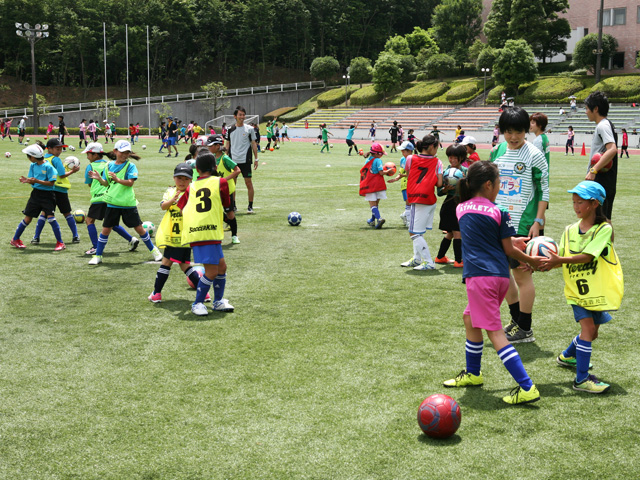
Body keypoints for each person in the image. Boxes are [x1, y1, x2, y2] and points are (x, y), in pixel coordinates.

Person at [442, 160, 541, 405]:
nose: (499, 187)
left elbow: (482, 239)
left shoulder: (461, 208)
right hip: (499, 278)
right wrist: (527, 255)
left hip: (480, 278)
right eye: (499, 183)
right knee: (470, 319)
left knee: (495, 333)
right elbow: (505, 247)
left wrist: (522, 253)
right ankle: (474, 374)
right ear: (489, 185)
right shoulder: (500, 211)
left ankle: (527, 387)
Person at [540, 181, 623, 394]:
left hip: (596, 291)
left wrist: (559, 261)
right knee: (587, 330)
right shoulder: (569, 230)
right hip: (576, 291)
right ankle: (581, 380)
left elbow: (587, 256)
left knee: (592, 333)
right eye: (574, 202)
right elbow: (558, 255)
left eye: (580, 202)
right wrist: (540, 262)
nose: (576, 206)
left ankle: (567, 356)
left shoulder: (604, 229)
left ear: (595, 204)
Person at [489, 107, 549, 344]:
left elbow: (544, 189)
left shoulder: (534, 154)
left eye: (519, 132)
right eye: (509, 131)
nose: (514, 137)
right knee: (504, 275)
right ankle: (517, 321)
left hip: (522, 224)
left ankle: (525, 326)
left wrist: (538, 221)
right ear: (503, 131)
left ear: (527, 130)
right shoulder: (497, 152)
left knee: (522, 276)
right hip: (498, 222)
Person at [86, 140, 162, 265]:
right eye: (122, 152)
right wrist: (99, 178)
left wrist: (117, 179)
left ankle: (155, 252)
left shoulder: (130, 166)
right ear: (115, 151)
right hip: (112, 203)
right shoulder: (108, 166)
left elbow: (130, 183)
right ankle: (98, 256)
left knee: (139, 229)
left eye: (127, 152)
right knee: (105, 230)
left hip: (127, 203)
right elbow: (106, 183)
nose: (125, 155)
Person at [176, 152, 234, 316]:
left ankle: (218, 301)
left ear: (197, 169)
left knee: (221, 267)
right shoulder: (220, 182)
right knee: (212, 272)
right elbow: (226, 202)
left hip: (200, 232)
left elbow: (181, 207)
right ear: (215, 167)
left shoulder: (192, 186)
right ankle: (198, 303)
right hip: (208, 232)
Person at [148, 162, 212, 304]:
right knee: (184, 265)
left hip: (183, 236)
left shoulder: (193, 193)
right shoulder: (170, 191)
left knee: (166, 263)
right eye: (179, 178)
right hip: (172, 234)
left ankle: (156, 293)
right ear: (174, 178)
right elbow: (163, 206)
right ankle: (204, 293)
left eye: (186, 179)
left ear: (191, 180)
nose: (182, 181)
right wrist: (173, 199)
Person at [82, 142, 139, 255]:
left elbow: (89, 183)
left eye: (88, 154)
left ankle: (95, 247)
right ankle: (131, 239)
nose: (87, 157)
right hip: (110, 197)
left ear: (95, 155)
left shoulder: (91, 166)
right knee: (110, 224)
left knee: (89, 220)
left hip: (98, 198)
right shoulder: (109, 163)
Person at [399, 135, 443, 270]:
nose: (436, 150)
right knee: (418, 232)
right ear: (431, 147)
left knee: (414, 232)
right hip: (429, 199)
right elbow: (440, 183)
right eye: (436, 147)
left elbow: (409, 173)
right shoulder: (438, 162)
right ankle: (417, 259)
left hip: (417, 199)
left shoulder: (410, 158)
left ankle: (429, 262)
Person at [10, 144, 65, 251]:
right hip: (35, 195)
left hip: (48, 196)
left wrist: (36, 181)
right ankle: (15, 239)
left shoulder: (49, 167)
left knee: (51, 219)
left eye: (28, 156)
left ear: (33, 157)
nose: (28, 158)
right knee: (27, 218)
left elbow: (51, 183)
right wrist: (28, 181)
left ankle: (60, 243)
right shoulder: (33, 165)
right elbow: (33, 180)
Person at [31, 138, 81, 247]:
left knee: (44, 213)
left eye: (61, 149)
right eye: (57, 149)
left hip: (47, 190)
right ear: (49, 148)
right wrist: (73, 171)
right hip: (60, 190)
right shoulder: (56, 160)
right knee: (67, 213)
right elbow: (62, 175)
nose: (59, 151)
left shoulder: (43, 158)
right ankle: (75, 235)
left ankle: (36, 237)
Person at [585, 91, 618, 220]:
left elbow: (612, 149)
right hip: (606, 180)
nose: (586, 112)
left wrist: (593, 170)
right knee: (605, 220)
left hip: (602, 180)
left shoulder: (603, 126)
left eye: (587, 108)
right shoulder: (606, 124)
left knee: (600, 221)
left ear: (596, 109)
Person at [434, 144, 467, 267]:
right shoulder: (446, 172)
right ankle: (459, 261)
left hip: (460, 204)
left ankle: (440, 257)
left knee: (450, 233)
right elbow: (439, 192)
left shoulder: (465, 172)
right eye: (450, 157)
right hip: (450, 205)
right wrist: (445, 189)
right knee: (457, 233)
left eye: (455, 158)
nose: (452, 160)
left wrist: (464, 182)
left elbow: (471, 190)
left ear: (462, 158)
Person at [207, 134, 241, 244]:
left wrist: (224, 179)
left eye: (211, 145)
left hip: (227, 191)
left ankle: (234, 235)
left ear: (217, 146)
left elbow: (237, 170)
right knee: (215, 212)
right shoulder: (211, 158)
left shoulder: (225, 158)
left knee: (230, 213)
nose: (208, 147)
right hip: (215, 190)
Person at [225, 106, 259, 214]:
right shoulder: (230, 129)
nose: (242, 117)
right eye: (240, 115)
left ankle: (250, 206)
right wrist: (225, 158)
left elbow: (253, 144)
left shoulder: (249, 129)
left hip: (245, 160)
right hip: (233, 161)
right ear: (235, 116)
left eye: (243, 115)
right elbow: (227, 144)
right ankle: (233, 205)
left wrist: (256, 158)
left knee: (248, 183)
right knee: (232, 184)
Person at [359, 142, 388, 229]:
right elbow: (381, 172)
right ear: (377, 153)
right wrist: (389, 172)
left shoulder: (367, 160)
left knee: (373, 204)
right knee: (375, 204)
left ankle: (373, 219)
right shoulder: (378, 160)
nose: (382, 156)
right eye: (381, 154)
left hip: (369, 185)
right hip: (378, 185)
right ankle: (378, 219)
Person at [387, 140, 414, 226]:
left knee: (413, 203)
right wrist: (397, 178)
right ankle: (409, 222)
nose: (402, 152)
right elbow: (402, 172)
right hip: (405, 184)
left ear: (410, 151)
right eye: (401, 150)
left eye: (404, 151)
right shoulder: (403, 159)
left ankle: (405, 215)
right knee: (408, 202)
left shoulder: (414, 159)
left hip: (413, 184)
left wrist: (402, 175)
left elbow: (412, 174)